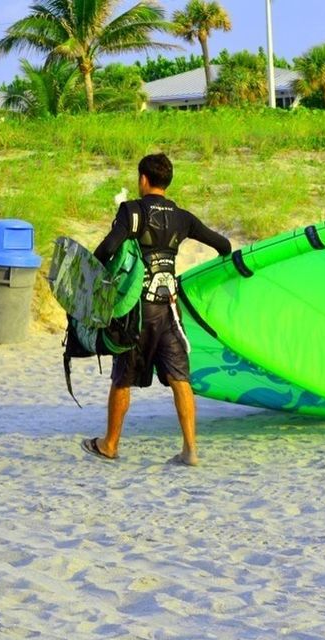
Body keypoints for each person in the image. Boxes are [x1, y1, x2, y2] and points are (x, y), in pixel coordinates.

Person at [81, 153, 232, 466]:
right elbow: (224, 245)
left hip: (135, 314)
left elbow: (107, 249)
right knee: (180, 379)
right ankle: (190, 450)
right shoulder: (182, 217)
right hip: (169, 313)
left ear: (143, 180)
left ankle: (110, 444)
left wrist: (97, 281)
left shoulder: (131, 211)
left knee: (122, 378)